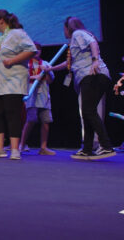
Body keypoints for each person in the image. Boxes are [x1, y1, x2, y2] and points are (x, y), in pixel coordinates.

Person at [44, 16, 115, 160]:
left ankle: (106, 146)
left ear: (68, 28)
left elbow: (93, 43)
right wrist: (51, 68)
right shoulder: (75, 41)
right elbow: (69, 63)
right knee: (87, 112)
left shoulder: (78, 33)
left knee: (88, 111)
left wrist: (95, 60)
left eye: (63, 28)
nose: (63, 31)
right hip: (89, 76)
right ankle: (87, 149)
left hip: (93, 74)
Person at [0, 10, 37, 160]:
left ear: (1, 21)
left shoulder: (17, 33)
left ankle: (15, 149)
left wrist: (12, 61)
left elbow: (31, 50)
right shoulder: (2, 38)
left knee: (12, 113)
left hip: (14, 81)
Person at [18, 42, 55, 155]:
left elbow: (50, 80)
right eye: (34, 49)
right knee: (31, 120)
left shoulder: (45, 63)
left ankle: (43, 147)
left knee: (46, 121)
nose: (37, 52)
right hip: (31, 96)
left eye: (39, 49)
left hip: (43, 96)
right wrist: (35, 77)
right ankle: (22, 145)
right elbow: (21, 78)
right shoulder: (25, 64)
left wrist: (47, 72)